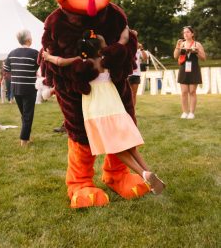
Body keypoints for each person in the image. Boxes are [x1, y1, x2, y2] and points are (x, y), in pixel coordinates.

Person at [43, 29, 165, 194]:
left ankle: (144, 174)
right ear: (101, 50)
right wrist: (127, 30)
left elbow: (61, 62)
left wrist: (48, 57)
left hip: (97, 110)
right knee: (129, 145)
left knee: (114, 146)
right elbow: (122, 39)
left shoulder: (82, 63)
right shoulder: (108, 61)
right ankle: (147, 170)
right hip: (115, 106)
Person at [4, 29, 39, 146]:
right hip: (29, 88)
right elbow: (41, 68)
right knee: (28, 114)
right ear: (28, 40)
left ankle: (27, 137)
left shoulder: (12, 53)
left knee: (24, 114)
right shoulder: (35, 53)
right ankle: (24, 140)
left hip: (16, 87)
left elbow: (6, 69)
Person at [174, 26, 206, 119]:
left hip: (194, 68)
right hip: (183, 68)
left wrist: (197, 52)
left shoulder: (197, 44)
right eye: (184, 33)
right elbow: (175, 56)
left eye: (188, 32)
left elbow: (203, 58)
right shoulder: (181, 44)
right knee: (184, 92)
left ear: (192, 34)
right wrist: (177, 46)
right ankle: (185, 112)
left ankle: (191, 113)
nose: (186, 34)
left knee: (192, 91)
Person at [128, 30, 148, 107]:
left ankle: (133, 111)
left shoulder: (139, 49)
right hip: (128, 74)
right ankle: (126, 110)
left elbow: (145, 58)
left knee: (134, 94)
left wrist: (142, 49)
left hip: (136, 74)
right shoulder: (127, 46)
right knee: (127, 94)